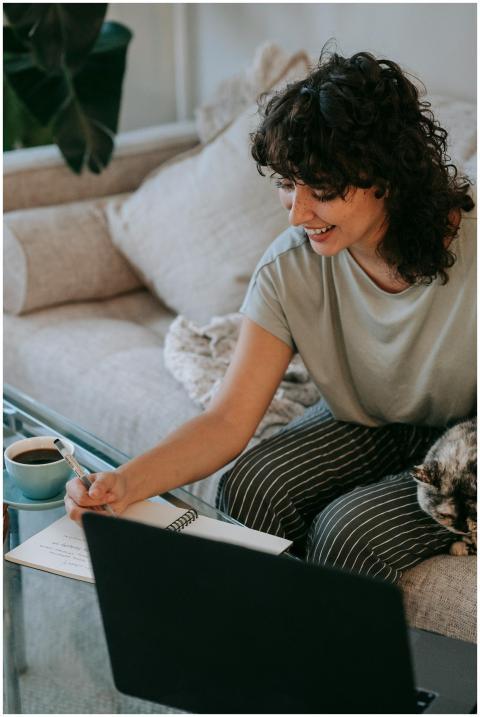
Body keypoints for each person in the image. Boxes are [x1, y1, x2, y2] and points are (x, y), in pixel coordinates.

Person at [65, 48, 475, 583]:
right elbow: (228, 420)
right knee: (250, 488)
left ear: (387, 175)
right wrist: (124, 482)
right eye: (286, 183)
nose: (298, 212)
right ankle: (252, 657)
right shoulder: (290, 267)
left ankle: (328, 667)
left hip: (466, 445)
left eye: (323, 190)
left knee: (347, 534)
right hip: (369, 418)